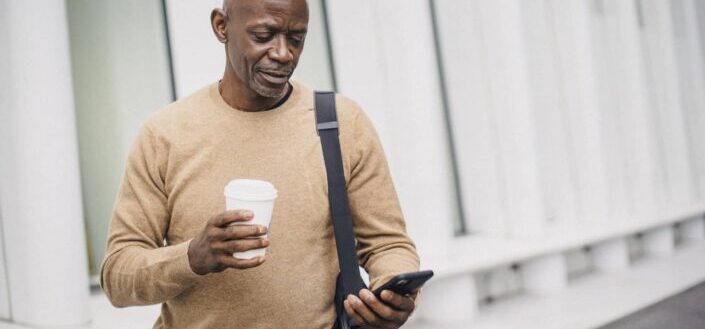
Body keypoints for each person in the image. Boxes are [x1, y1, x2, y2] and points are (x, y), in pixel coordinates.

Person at [100, 0, 420, 328]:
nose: (283, 53)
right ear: (221, 26)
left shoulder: (341, 123)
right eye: (264, 35)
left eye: (296, 38)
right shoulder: (164, 136)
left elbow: (388, 244)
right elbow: (118, 277)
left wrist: (393, 291)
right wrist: (192, 257)